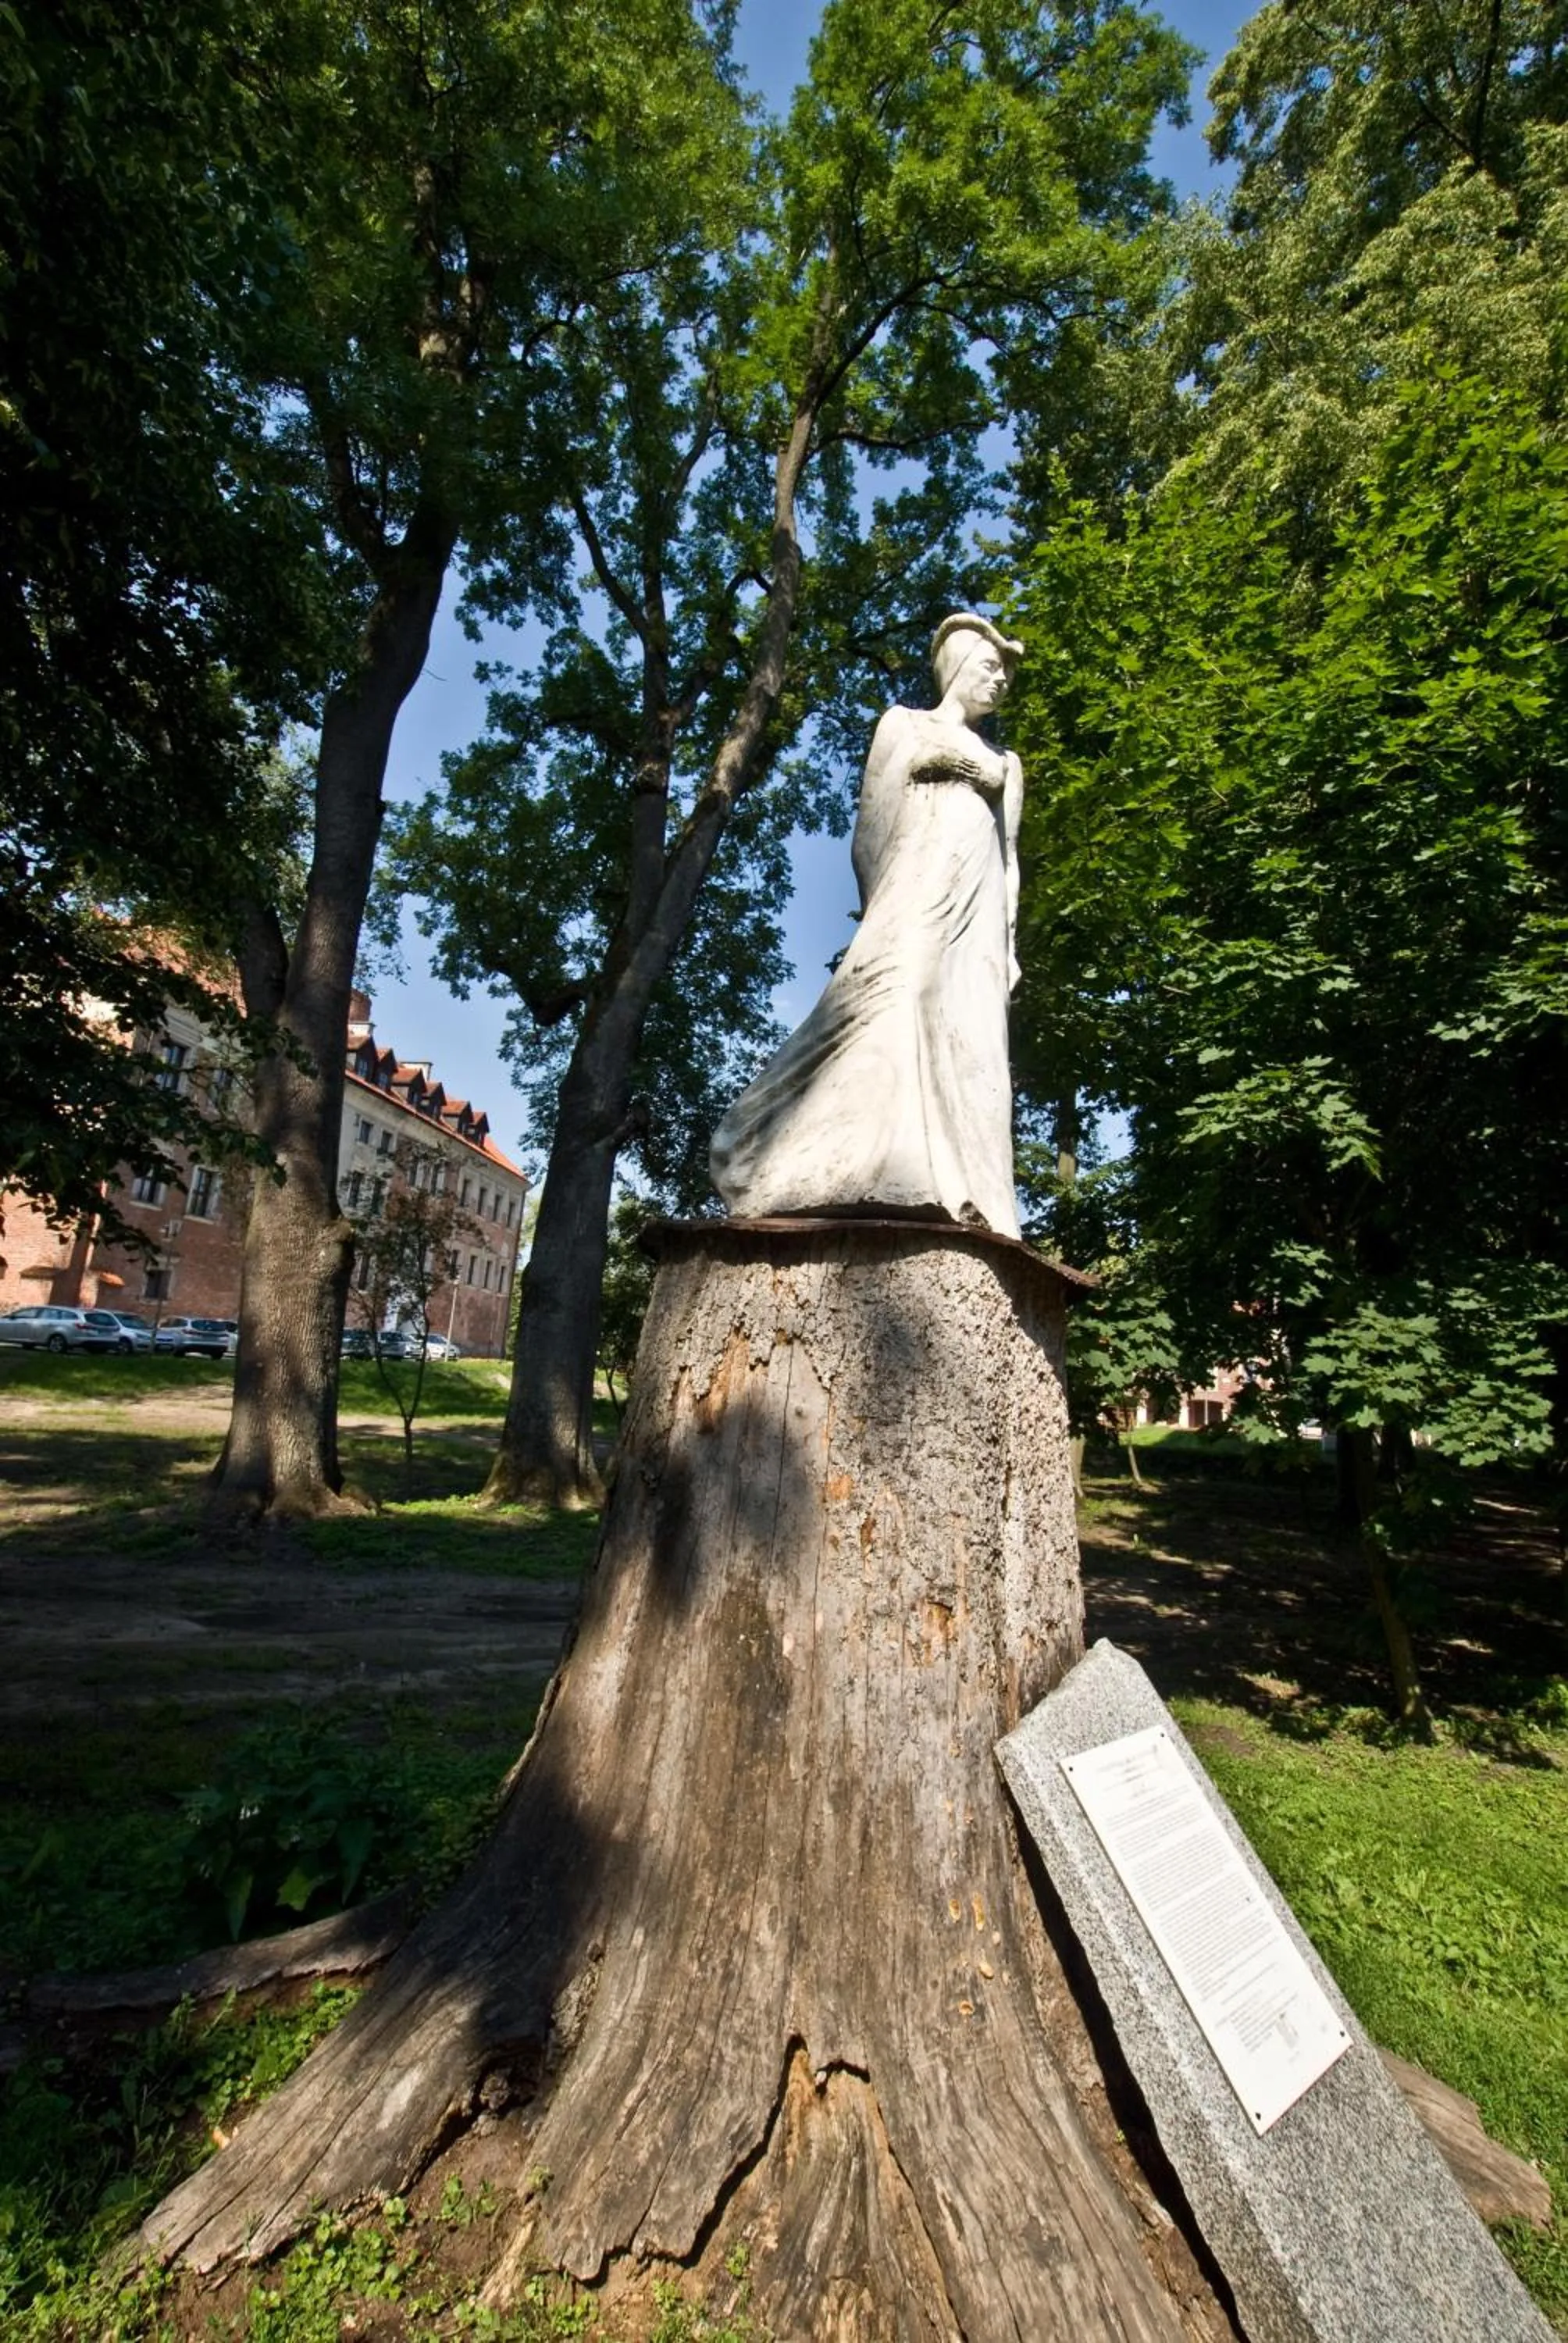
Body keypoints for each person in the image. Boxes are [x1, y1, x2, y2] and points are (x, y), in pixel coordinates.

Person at [709, 612, 1024, 1236]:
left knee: (971, 1039)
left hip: (978, 917)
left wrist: (1009, 942)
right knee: (883, 1003)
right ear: (957, 667)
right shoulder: (903, 725)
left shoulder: (1007, 763)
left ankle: (952, 1185)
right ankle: (763, 1150)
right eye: (990, 667)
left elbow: (1010, 857)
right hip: (913, 898)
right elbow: (871, 827)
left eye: (1006, 676)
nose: (1000, 683)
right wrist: (887, 905)